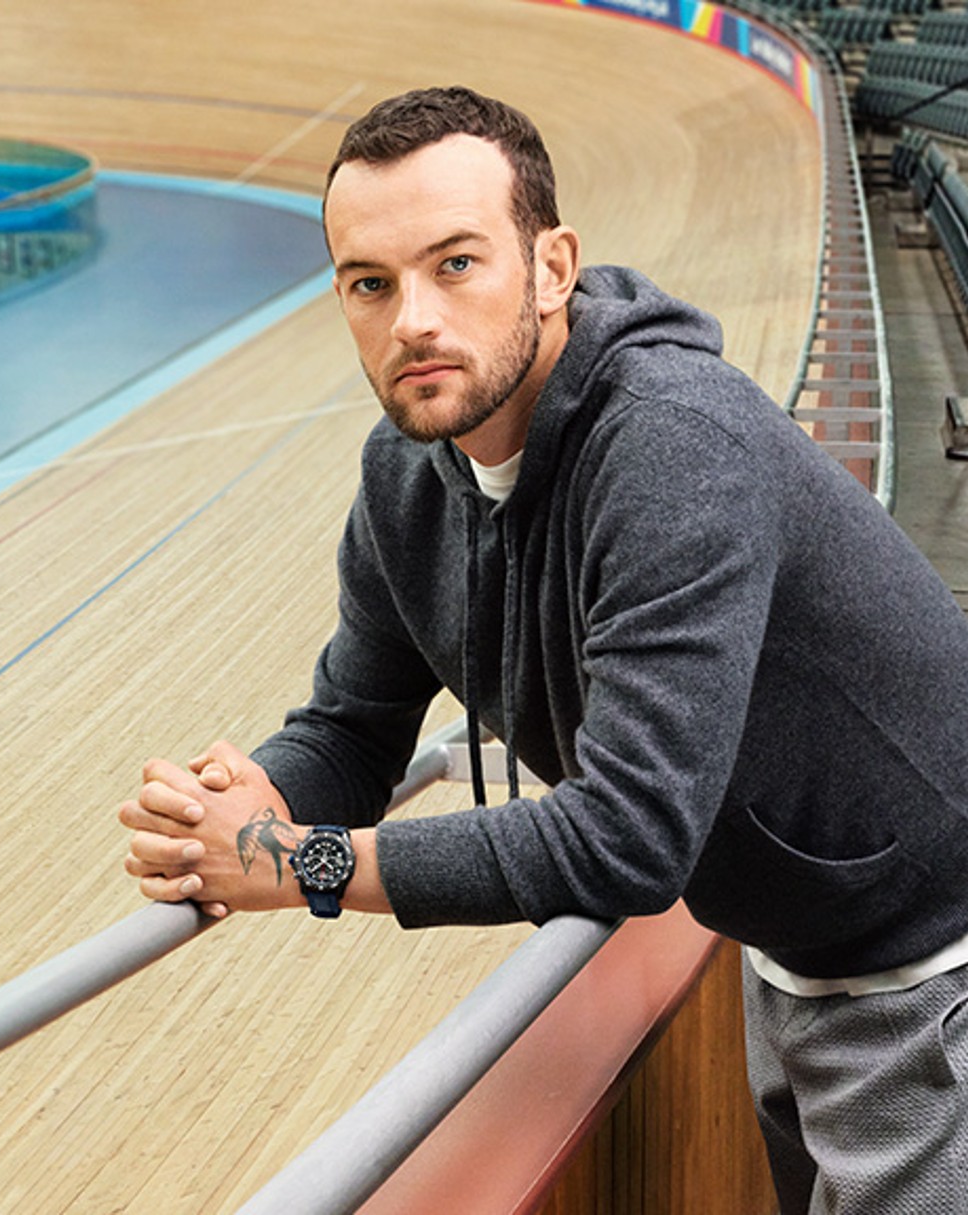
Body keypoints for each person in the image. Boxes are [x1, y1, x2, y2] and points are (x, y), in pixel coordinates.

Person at [118, 86, 968, 1213]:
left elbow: (626, 840)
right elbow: (356, 724)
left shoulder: (673, 444)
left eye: (455, 264)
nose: (412, 317)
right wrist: (247, 803)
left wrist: (298, 864)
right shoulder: (407, 478)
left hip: (934, 971)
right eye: (370, 284)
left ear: (554, 266)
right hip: (804, 950)